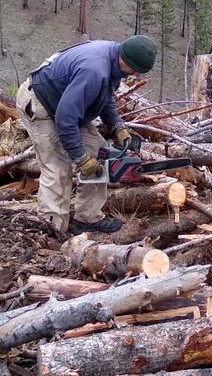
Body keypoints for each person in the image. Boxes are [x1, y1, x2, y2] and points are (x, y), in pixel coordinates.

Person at [16, 36, 157, 234]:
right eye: (135, 70)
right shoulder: (94, 69)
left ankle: (88, 218)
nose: (135, 75)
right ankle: (50, 230)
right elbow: (65, 119)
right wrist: (81, 158)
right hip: (40, 104)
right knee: (57, 168)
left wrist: (117, 125)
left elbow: (104, 97)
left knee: (100, 154)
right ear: (126, 59)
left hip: (65, 105)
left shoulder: (113, 61)